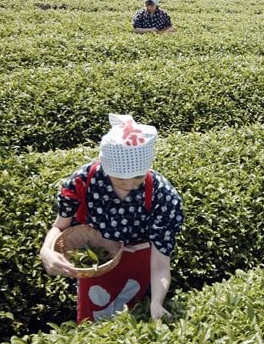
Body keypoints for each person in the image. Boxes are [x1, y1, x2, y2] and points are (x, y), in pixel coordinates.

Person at [40, 114, 184, 324]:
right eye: (120, 179)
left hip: (140, 258)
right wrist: (46, 250)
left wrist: (157, 302)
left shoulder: (162, 194)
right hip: (97, 258)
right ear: (105, 167)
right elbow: (60, 226)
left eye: (138, 177)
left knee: (131, 315)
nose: (129, 185)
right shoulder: (84, 179)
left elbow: (161, 263)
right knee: (93, 316)